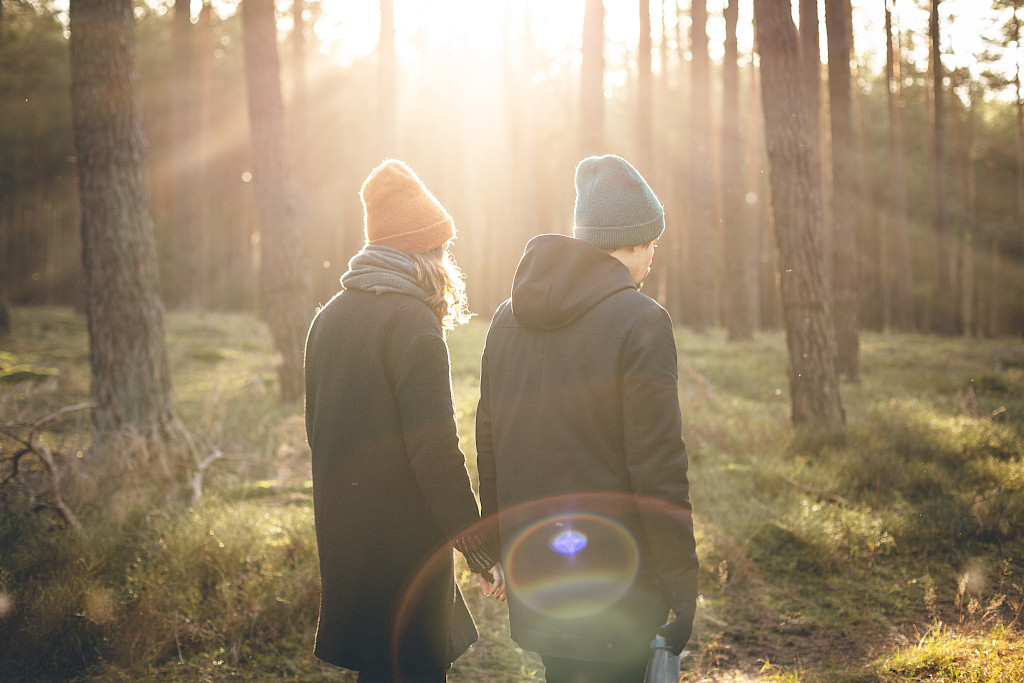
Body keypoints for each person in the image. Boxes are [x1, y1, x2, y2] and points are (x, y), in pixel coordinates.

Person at [476, 154, 698, 683]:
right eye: (652, 245)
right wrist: (679, 581)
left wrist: (498, 548)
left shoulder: (508, 317)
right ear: (636, 243)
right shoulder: (643, 321)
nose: (652, 259)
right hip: (620, 579)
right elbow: (657, 463)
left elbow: (489, 442)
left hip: (537, 571)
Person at [304, 159, 505, 682]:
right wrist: (480, 550)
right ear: (422, 251)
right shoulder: (413, 323)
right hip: (404, 555)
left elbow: (318, 434)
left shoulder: (327, 320)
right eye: (441, 248)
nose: (446, 261)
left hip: (347, 541)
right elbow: (435, 453)